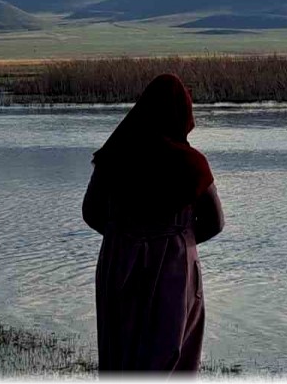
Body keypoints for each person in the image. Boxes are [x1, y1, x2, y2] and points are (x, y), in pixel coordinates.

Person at [83, 73, 225, 374]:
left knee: (122, 349)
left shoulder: (114, 157)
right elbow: (215, 221)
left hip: (119, 263)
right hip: (174, 269)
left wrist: (125, 238)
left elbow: (91, 212)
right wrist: (176, 241)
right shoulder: (191, 164)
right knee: (169, 353)